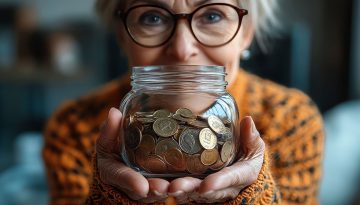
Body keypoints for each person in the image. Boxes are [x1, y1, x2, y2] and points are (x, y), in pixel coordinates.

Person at [43, 0, 325, 204]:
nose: (181, 49)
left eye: (212, 16)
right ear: (121, 35)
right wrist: (108, 198)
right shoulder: (74, 125)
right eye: (152, 17)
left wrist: (251, 197)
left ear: (246, 33)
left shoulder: (291, 119)